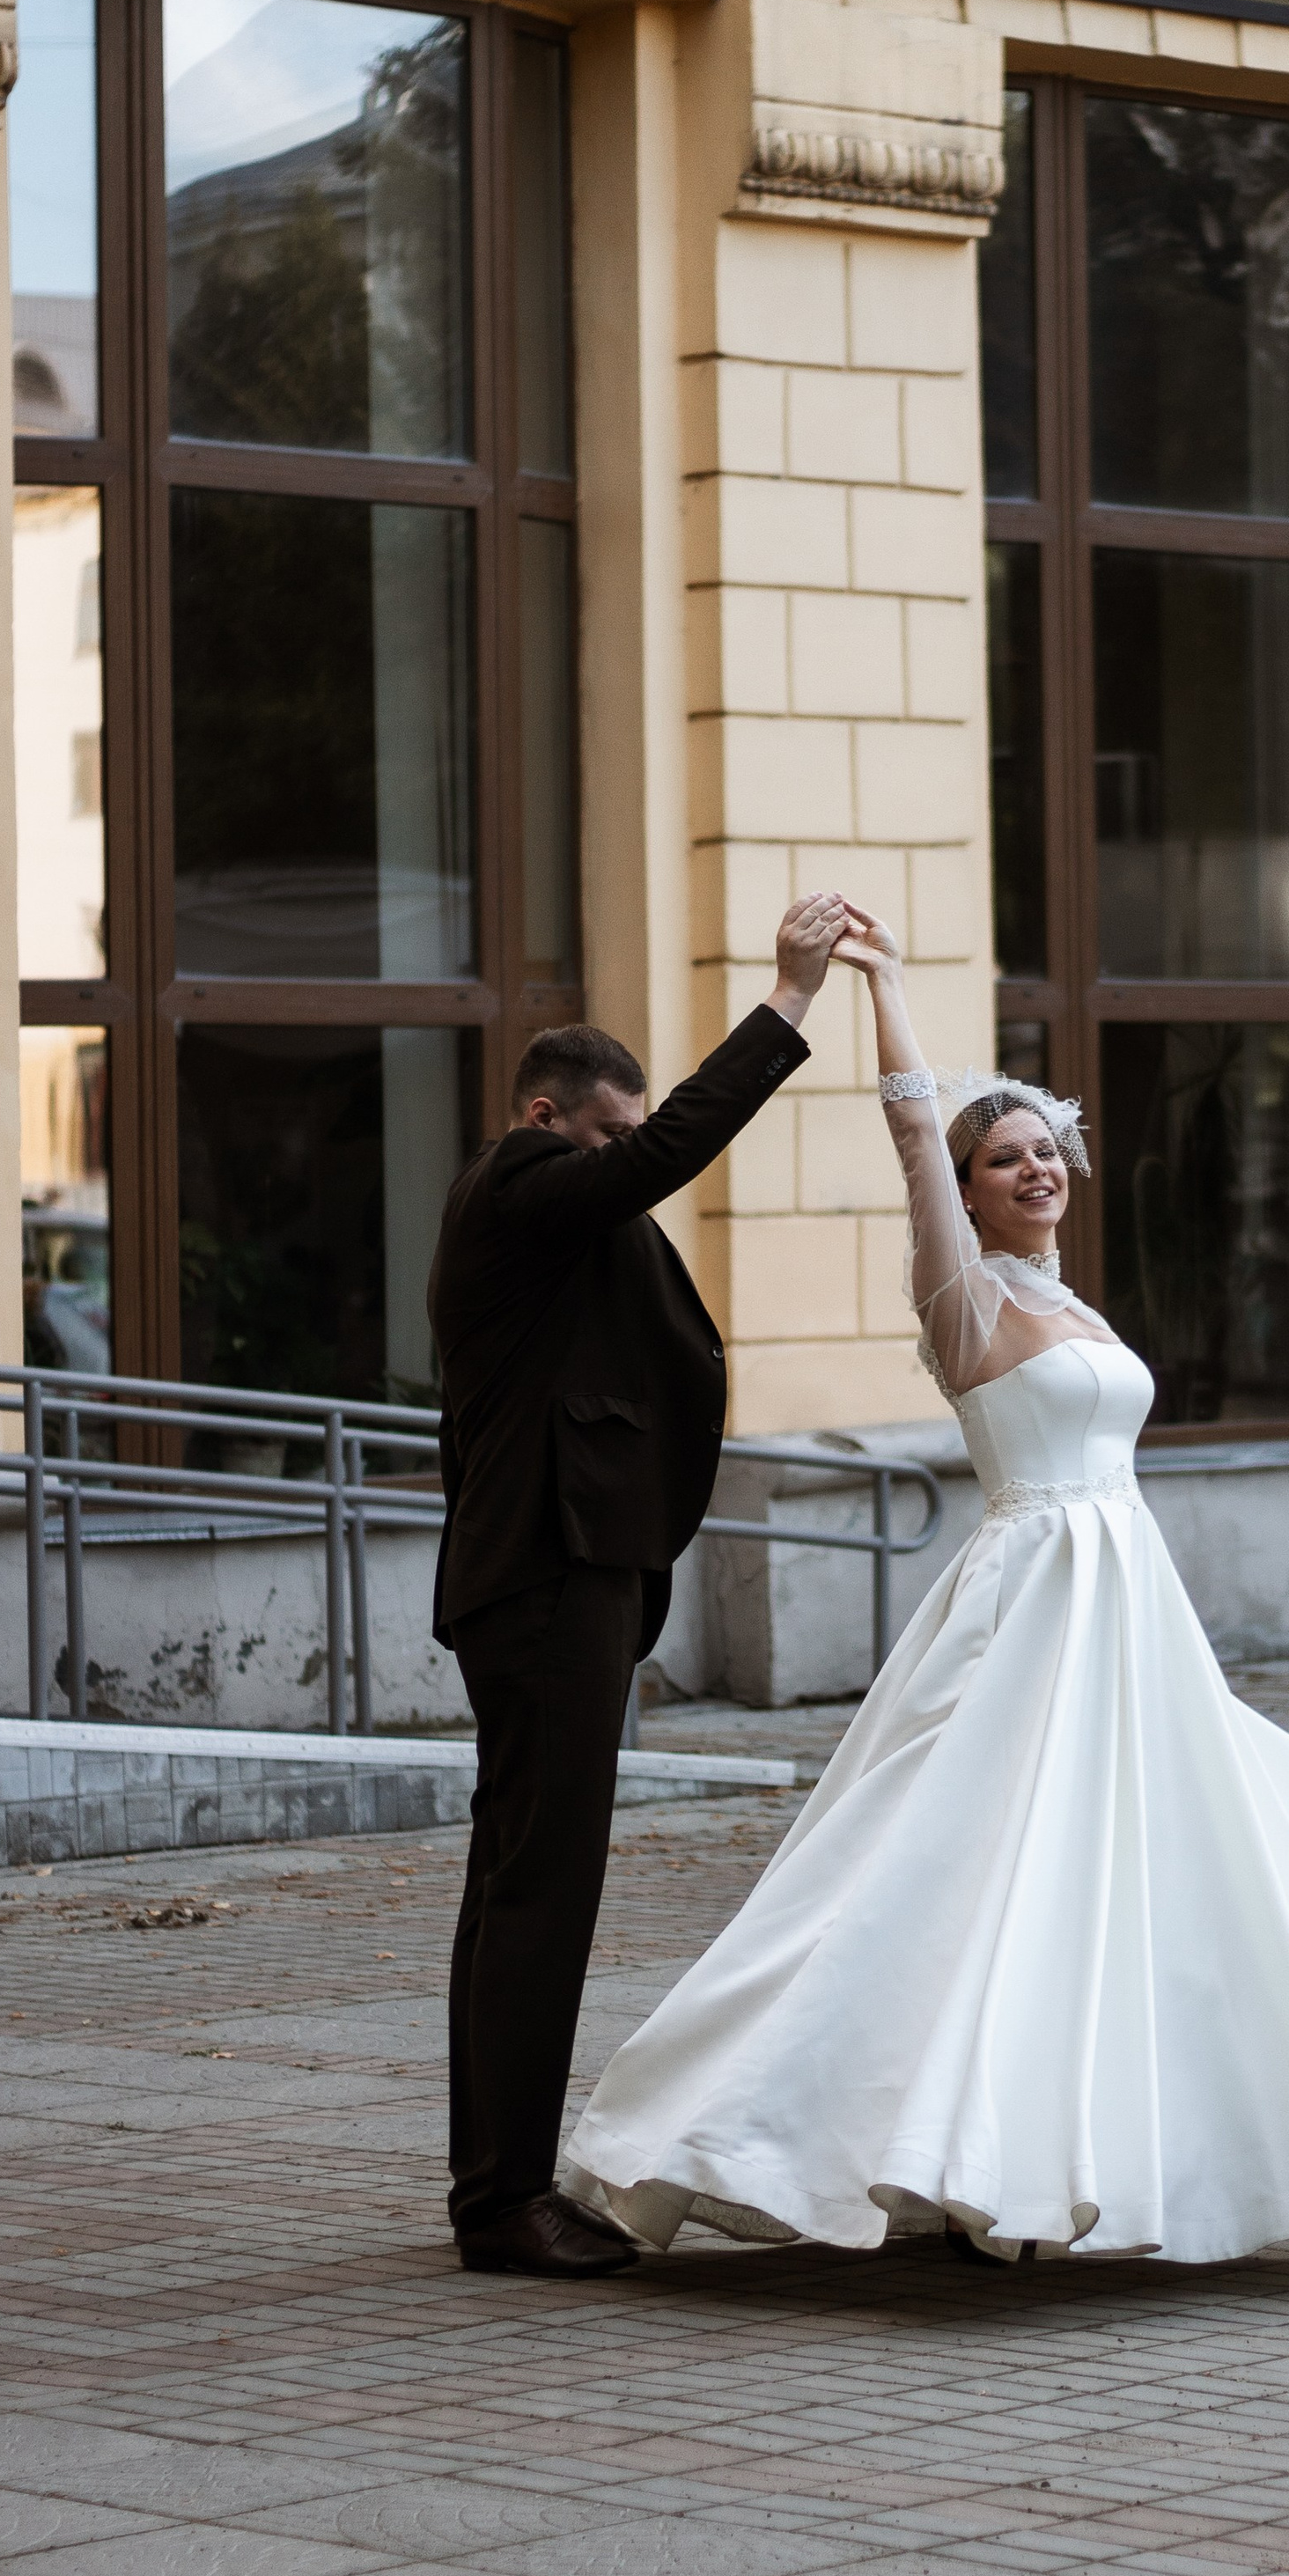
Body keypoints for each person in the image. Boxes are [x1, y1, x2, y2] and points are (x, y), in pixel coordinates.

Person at [561, 904, 1289, 2267]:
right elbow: (911, 1128)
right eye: (1004, 1158)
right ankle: (910, 2148)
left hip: (1130, 1605)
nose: (1034, 1169)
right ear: (970, 1190)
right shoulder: (964, 1297)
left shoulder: (1076, 1308)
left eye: (1046, 1149)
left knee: (1184, 1862)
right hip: (1031, 1600)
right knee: (980, 1867)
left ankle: (1201, 2146)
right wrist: (882, 986)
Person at [428, 894, 847, 2278]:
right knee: (539, 1891)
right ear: (545, 1118)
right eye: (610, 1135)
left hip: (557, 1571)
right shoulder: (518, 1187)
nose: (628, 1156)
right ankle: (504, 2203)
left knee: (518, 1884)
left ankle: (493, 2185)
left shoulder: (553, 1219)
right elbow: (666, 1154)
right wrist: (788, 1000)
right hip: (548, 1573)